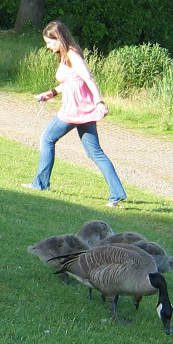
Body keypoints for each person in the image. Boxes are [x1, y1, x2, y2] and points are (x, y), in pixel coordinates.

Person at [22, 20, 127, 208]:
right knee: (94, 152)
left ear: (59, 38)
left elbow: (89, 78)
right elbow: (72, 81)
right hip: (83, 110)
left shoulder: (72, 54)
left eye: (49, 42)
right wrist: (52, 93)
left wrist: (100, 102)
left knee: (47, 139)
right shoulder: (65, 54)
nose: (48, 46)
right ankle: (117, 194)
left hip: (75, 109)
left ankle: (40, 184)